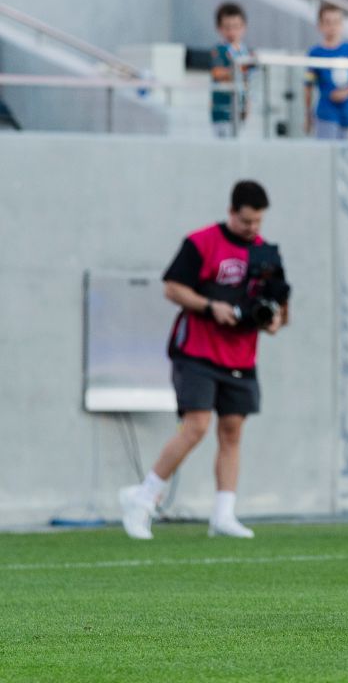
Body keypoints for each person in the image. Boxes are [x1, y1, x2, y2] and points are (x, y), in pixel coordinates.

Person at [118, 181, 288, 540]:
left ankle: (223, 515)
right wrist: (212, 306)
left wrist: (273, 320)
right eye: (246, 221)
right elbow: (172, 287)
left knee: (232, 432)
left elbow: (280, 308)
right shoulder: (202, 242)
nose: (252, 228)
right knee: (196, 426)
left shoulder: (267, 254)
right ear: (231, 212)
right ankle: (143, 498)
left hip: (241, 356)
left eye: (258, 221)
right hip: (197, 350)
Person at [305, 3, 348, 140]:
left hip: (346, 112)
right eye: (328, 22)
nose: (332, 27)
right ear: (320, 25)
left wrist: (347, 91)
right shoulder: (315, 53)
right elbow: (308, 86)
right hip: (325, 112)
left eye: (336, 22)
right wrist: (308, 115)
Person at [211, 2, 254, 138]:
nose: (232, 32)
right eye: (227, 27)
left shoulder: (244, 51)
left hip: (240, 109)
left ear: (243, 28)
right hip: (222, 112)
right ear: (219, 28)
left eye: (236, 27)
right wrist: (237, 70)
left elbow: (247, 81)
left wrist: (247, 105)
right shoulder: (219, 50)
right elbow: (217, 73)